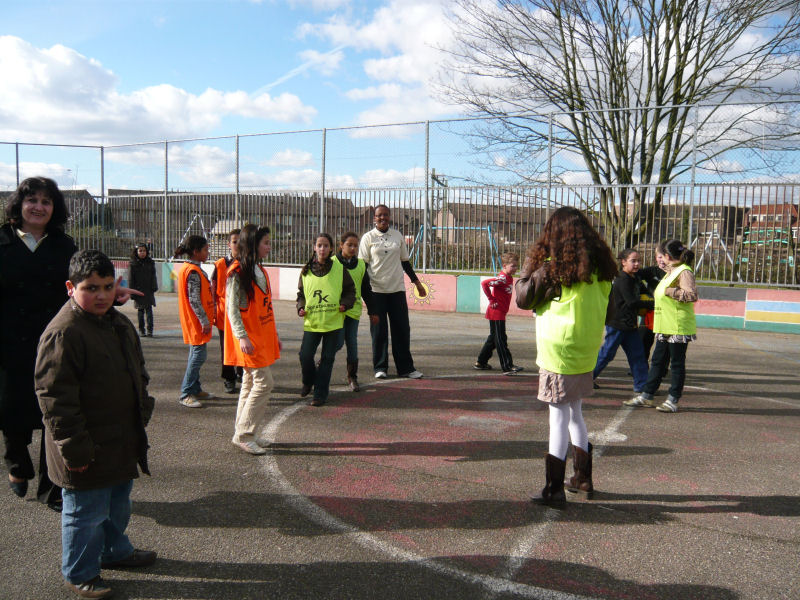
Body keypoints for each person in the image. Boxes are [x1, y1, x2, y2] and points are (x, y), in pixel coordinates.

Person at [35, 249, 156, 599]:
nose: (102, 295)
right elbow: (55, 398)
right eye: (91, 288)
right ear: (71, 287)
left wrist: (142, 406)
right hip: (84, 446)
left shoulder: (117, 323)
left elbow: (138, 368)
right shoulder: (65, 332)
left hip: (119, 439)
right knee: (85, 513)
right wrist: (74, 448)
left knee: (118, 504)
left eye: (107, 286)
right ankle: (80, 572)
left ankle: (114, 551)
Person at [523, 207, 617, 507]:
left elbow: (523, 297)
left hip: (558, 351)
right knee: (575, 412)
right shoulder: (602, 271)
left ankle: (553, 488)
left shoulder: (553, 269)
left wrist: (531, 268)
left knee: (558, 417)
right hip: (586, 348)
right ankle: (582, 478)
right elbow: (611, 311)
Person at [0, 176, 76, 511]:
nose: (39, 207)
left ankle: (52, 488)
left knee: (54, 415)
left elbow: (82, 284)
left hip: (53, 343)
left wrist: (110, 297)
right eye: (32, 199)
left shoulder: (64, 246)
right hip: (8, 343)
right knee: (12, 410)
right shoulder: (2, 241)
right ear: (19, 204)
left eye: (46, 201)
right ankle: (17, 464)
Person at [225, 225, 282, 455]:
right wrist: (241, 336)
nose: (269, 246)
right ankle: (245, 434)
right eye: (265, 242)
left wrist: (274, 335)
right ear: (253, 245)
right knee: (264, 383)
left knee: (249, 384)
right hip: (250, 339)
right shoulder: (237, 273)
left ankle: (245, 431)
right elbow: (232, 309)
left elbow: (266, 306)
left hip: (261, 336)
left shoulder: (260, 270)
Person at [625, 239, 698, 413]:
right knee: (657, 361)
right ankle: (647, 395)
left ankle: (673, 399)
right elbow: (655, 271)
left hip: (678, 326)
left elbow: (691, 295)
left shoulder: (684, 272)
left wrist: (669, 291)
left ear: (667, 256)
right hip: (664, 325)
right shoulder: (670, 271)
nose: (659, 260)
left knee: (677, 364)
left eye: (661, 256)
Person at [358, 204, 426, 379]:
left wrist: (417, 283)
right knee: (379, 331)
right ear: (374, 218)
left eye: (386, 215)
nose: (383, 218)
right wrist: (361, 291)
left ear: (390, 217)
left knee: (402, 330)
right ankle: (380, 367)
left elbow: (405, 262)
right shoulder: (368, 238)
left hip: (397, 290)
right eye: (379, 215)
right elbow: (363, 267)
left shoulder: (397, 236)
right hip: (376, 291)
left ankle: (406, 368)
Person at [297, 233, 355, 407]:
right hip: (312, 323)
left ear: (331, 249)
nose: (322, 249)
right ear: (314, 248)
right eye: (319, 245)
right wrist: (300, 307)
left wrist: (345, 304)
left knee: (327, 359)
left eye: (326, 246)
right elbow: (301, 294)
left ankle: (320, 394)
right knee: (305, 356)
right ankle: (308, 380)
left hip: (333, 322)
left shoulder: (339, 269)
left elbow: (350, 291)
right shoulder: (306, 270)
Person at [591, 249, 652, 393]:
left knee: (638, 355)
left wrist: (653, 296)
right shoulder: (622, 279)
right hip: (617, 323)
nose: (637, 264)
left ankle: (642, 385)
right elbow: (631, 302)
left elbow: (645, 293)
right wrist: (653, 304)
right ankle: (587, 379)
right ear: (623, 262)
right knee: (607, 354)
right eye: (633, 261)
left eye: (638, 261)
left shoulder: (635, 278)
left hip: (630, 325)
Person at [333, 231, 378, 392]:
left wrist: (373, 311)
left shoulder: (360, 265)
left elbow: (366, 289)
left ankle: (352, 377)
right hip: (335, 311)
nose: (353, 248)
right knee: (336, 343)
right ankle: (321, 367)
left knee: (352, 343)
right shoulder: (332, 263)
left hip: (353, 311)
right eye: (349, 245)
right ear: (341, 245)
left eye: (355, 245)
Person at [174, 235, 215, 408]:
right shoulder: (192, 272)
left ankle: (196, 388)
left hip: (196, 320)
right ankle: (186, 392)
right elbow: (194, 300)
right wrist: (204, 320)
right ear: (196, 252)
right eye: (205, 250)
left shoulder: (192, 269)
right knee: (198, 355)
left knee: (196, 354)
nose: (208, 252)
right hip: (196, 321)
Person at [474, 252, 524, 375]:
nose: (515, 268)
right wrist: (491, 299)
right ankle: (507, 366)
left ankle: (481, 362)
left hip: (500, 312)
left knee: (493, 338)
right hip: (496, 313)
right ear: (505, 265)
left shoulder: (508, 278)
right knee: (501, 339)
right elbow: (484, 283)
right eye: (513, 266)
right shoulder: (502, 278)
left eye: (516, 266)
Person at [212, 228, 244, 394]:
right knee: (226, 348)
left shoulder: (247, 264)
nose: (237, 244)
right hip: (224, 313)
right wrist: (212, 312)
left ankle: (241, 372)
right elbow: (213, 289)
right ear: (228, 244)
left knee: (243, 344)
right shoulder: (220, 265)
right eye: (234, 241)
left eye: (240, 241)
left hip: (243, 313)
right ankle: (229, 378)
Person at [638, 242, 668, 362]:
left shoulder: (674, 273)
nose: (661, 260)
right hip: (650, 311)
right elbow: (634, 277)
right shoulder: (652, 271)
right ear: (656, 258)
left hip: (666, 312)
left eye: (664, 257)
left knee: (664, 343)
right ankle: (641, 366)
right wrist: (643, 292)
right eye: (659, 257)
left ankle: (662, 367)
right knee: (643, 339)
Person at [128, 243, 158, 337]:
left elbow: (153, 276)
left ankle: (150, 330)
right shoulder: (133, 264)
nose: (142, 253)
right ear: (136, 252)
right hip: (138, 290)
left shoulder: (150, 262)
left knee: (149, 311)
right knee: (140, 311)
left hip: (148, 289)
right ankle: (142, 330)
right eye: (140, 251)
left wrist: (154, 286)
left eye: (144, 251)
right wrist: (132, 292)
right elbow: (130, 279)